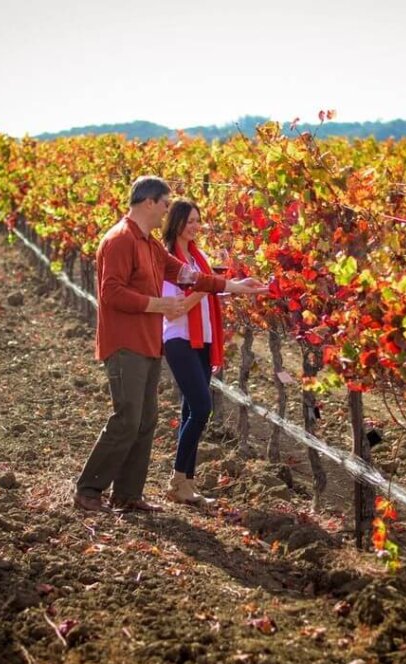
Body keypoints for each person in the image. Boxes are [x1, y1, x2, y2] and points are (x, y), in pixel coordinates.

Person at [74, 176, 266, 513]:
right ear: (149, 202)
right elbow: (110, 292)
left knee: (146, 420)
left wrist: (236, 286)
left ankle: (129, 494)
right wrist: (157, 305)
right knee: (127, 418)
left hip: (149, 344)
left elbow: (190, 276)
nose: (167, 212)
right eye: (165, 204)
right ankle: (89, 489)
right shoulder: (119, 240)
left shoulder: (150, 245)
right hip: (125, 343)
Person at [160, 198, 224, 505]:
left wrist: (216, 282)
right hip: (179, 338)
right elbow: (177, 308)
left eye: (198, 220)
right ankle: (177, 479)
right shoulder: (167, 258)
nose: (195, 226)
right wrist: (207, 287)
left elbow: (210, 288)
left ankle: (186, 482)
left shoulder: (199, 258)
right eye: (189, 221)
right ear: (176, 223)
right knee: (201, 409)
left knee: (191, 410)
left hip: (203, 339)